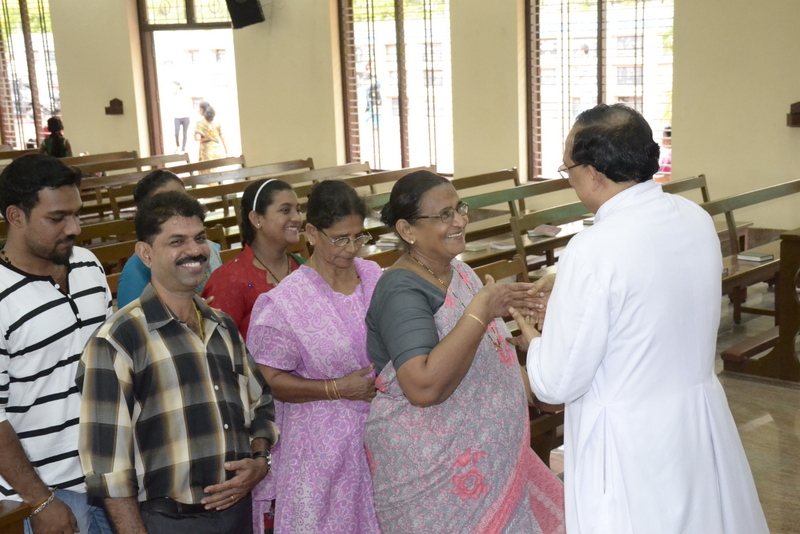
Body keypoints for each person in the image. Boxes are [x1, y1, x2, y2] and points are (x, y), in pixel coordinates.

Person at [511, 104, 769, 533]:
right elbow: (653, 294)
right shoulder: (693, 217)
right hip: (695, 418)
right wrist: (571, 289)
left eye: (567, 168)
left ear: (593, 173)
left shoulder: (593, 249)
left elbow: (556, 383)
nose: (568, 178)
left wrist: (534, 341)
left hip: (630, 443)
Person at [363, 170, 565, 533]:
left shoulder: (460, 272)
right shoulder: (400, 290)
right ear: (407, 230)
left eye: (460, 209)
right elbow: (423, 386)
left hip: (493, 469)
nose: (459, 221)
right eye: (444, 215)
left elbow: (491, 360)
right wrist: (481, 310)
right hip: (437, 482)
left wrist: (538, 373)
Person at [77, 191, 278, 534]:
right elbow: (108, 467)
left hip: (236, 512)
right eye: (177, 241)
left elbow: (261, 403)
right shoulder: (118, 340)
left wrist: (260, 460)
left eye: (199, 238)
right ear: (146, 253)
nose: (195, 250)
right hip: (168, 520)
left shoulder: (222, 325)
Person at [247, 180, 383, 534]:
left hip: (379, 442)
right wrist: (336, 388)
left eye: (358, 237)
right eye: (339, 239)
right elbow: (267, 381)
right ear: (311, 233)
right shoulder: (286, 302)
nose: (351, 248)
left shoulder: (373, 277)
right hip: (319, 454)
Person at [0, 154, 113, 534]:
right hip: (41, 491)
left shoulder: (88, 266)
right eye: (57, 218)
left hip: (107, 477)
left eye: (76, 214)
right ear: (16, 216)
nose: (74, 228)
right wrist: (40, 500)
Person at [202, 178, 304, 339]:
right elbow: (219, 346)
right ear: (257, 219)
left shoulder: (302, 268)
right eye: (285, 210)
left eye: (297, 210)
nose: (297, 218)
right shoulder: (229, 279)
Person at [116, 170, 222, 307]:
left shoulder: (208, 249)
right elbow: (134, 316)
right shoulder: (135, 273)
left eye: (181, 199)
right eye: (164, 205)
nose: (195, 250)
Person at [171, 82, 193, 154]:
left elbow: (189, 99)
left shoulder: (184, 93)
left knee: (184, 133)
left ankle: (183, 148)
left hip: (185, 116)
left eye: (175, 86)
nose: (174, 88)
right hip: (177, 117)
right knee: (176, 132)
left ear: (178, 86)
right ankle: (177, 145)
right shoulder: (173, 95)